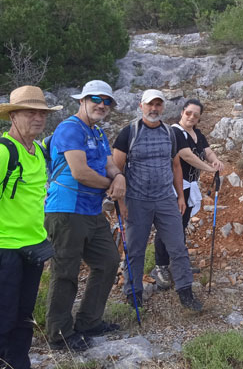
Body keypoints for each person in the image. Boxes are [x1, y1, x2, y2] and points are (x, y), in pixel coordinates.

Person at [45, 80, 124, 351]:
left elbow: (109, 163)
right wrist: (112, 185)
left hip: (91, 211)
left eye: (107, 101)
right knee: (65, 272)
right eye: (96, 99)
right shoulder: (69, 128)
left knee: (108, 260)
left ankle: (89, 321)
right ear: (82, 100)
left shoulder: (99, 132)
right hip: (66, 210)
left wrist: (119, 176)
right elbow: (80, 172)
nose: (101, 105)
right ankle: (59, 334)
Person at [112, 89, 202, 311]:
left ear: (163, 107)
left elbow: (175, 165)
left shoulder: (169, 133)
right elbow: (116, 169)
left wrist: (180, 196)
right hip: (137, 199)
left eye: (158, 105)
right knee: (135, 249)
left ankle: (185, 292)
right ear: (141, 106)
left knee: (178, 246)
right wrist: (121, 203)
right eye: (150, 105)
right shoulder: (128, 133)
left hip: (165, 199)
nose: (154, 109)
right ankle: (133, 293)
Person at [0, 85, 61, 369]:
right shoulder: (3, 152)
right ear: (13, 115)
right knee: (4, 315)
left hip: (34, 247)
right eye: (30, 112)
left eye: (42, 113)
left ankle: (19, 362)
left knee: (25, 315)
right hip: (6, 249)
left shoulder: (37, 149)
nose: (37, 118)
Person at [151, 99, 224, 290]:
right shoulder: (175, 132)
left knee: (181, 225)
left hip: (190, 185)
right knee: (169, 226)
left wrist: (215, 161)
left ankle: (178, 262)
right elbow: (186, 155)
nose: (191, 117)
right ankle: (160, 265)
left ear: (199, 118)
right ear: (182, 112)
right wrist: (209, 169)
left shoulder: (197, 134)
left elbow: (207, 151)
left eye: (196, 115)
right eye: (188, 113)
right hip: (176, 186)